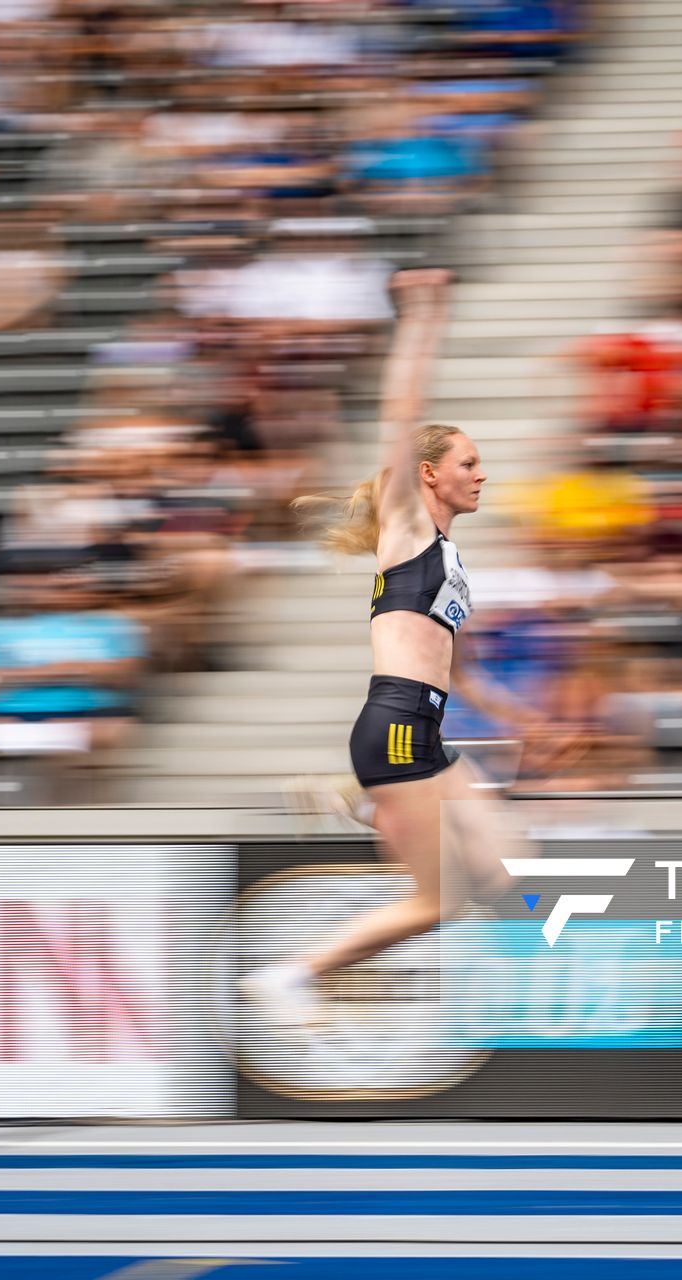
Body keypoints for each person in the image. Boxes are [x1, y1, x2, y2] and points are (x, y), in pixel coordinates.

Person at [240, 269, 530, 1027]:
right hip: (399, 726)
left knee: (511, 865)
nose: (483, 473)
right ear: (429, 474)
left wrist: (504, 706)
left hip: (419, 728)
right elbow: (399, 414)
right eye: (469, 462)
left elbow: (446, 652)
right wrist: (424, 313)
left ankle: (359, 797)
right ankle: (295, 975)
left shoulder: (448, 560)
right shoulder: (408, 528)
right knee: (436, 905)